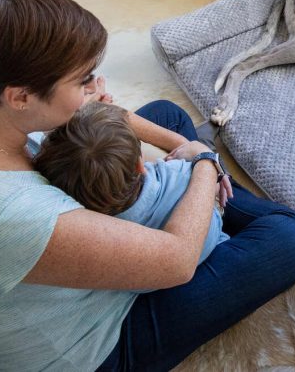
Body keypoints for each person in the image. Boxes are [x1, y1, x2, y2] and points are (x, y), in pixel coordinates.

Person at [0, 0, 295, 371]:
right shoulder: (8, 216)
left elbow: (96, 115)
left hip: (15, 271)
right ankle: (217, 202)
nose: (95, 86)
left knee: (164, 117)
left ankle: (208, 200)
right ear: (21, 96)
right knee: (290, 237)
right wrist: (204, 162)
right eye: (83, 79)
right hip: (84, 353)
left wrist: (176, 149)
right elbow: (177, 260)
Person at [33, 100, 229, 266]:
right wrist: (202, 154)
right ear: (139, 165)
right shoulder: (177, 171)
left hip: (205, 248)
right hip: (212, 221)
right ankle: (209, 148)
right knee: (176, 120)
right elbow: (195, 169)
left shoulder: (91, 228)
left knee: (166, 113)